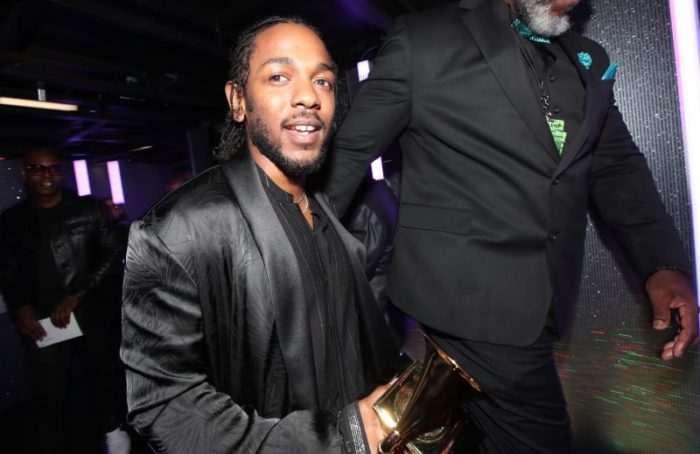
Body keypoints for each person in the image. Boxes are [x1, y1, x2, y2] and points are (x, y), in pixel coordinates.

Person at [325, 0, 699, 452]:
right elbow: (347, 157)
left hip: (539, 310)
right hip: (462, 309)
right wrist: (294, 261)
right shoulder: (425, 39)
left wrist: (661, 264)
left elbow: (616, 168)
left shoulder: (590, 61)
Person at [120, 16, 399, 454]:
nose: (308, 96)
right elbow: (165, 408)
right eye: (279, 77)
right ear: (238, 100)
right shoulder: (177, 229)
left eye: (323, 81)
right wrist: (340, 438)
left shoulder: (331, 211)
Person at [0, 147, 121, 454]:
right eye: (37, 168)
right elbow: (8, 271)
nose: (47, 175)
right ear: (25, 172)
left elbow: (112, 254)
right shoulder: (12, 221)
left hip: (89, 310)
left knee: (102, 377)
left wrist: (76, 294)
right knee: (48, 391)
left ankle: (113, 430)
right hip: (44, 319)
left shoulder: (89, 210)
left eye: (53, 167)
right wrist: (20, 307)